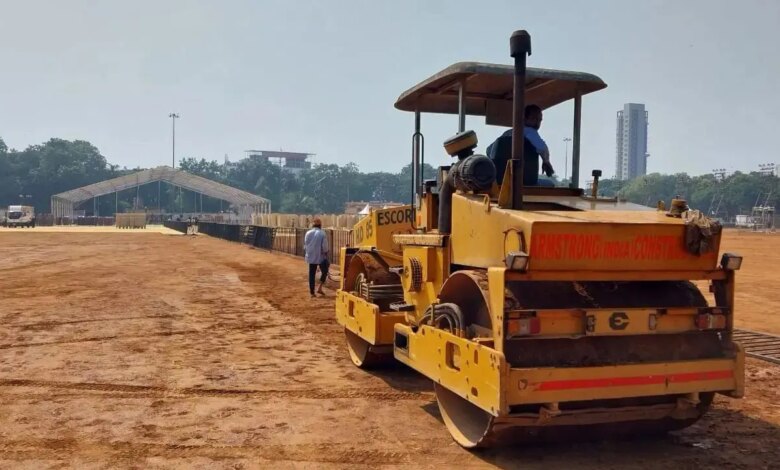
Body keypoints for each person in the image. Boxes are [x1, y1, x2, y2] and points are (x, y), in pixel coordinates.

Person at [486, 104, 555, 186]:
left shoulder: (508, 133)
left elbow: (489, 150)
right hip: (525, 182)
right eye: (534, 119)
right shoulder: (530, 131)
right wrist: (546, 161)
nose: (537, 123)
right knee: (550, 184)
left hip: (501, 182)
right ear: (524, 119)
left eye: (539, 120)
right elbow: (542, 147)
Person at [304, 218, 329, 297]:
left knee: (312, 273)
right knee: (325, 271)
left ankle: (312, 292)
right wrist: (326, 252)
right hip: (321, 256)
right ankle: (320, 287)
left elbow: (306, 244)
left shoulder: (308, 233)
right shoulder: (322, 233)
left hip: (311, 255)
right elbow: (325, 247)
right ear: (320, 225)